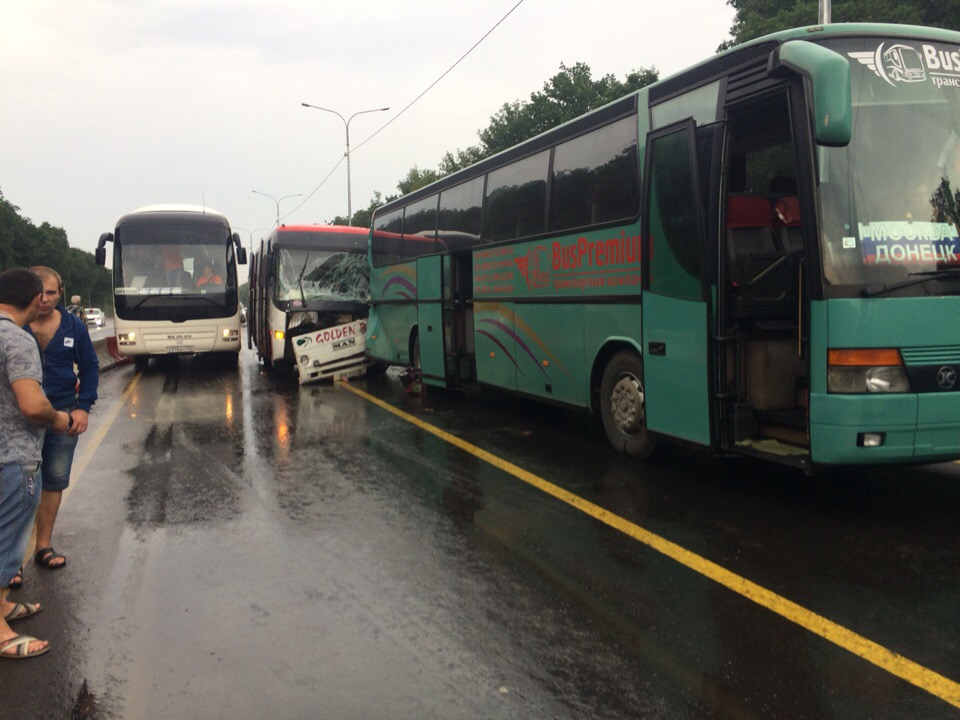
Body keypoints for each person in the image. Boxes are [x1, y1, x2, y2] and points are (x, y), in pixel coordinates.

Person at [0, 268, 71, 659]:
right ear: (32, 301)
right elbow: (31, 404)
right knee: (8, 541)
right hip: (13, 458)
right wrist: (58, 417)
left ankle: (4, 606)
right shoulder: (16, 339)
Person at [20, 267, 99, 579]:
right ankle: (10, 561)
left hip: (63, 414)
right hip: (20, 419)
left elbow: (90, 367)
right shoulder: (13, 326)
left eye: (51, 293)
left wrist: (84, 407)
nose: (45, 299)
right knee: (18, 484)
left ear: (60, 293)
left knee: (54, 480)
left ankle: (43, 545)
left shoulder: (72, 326)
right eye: (40, 293)